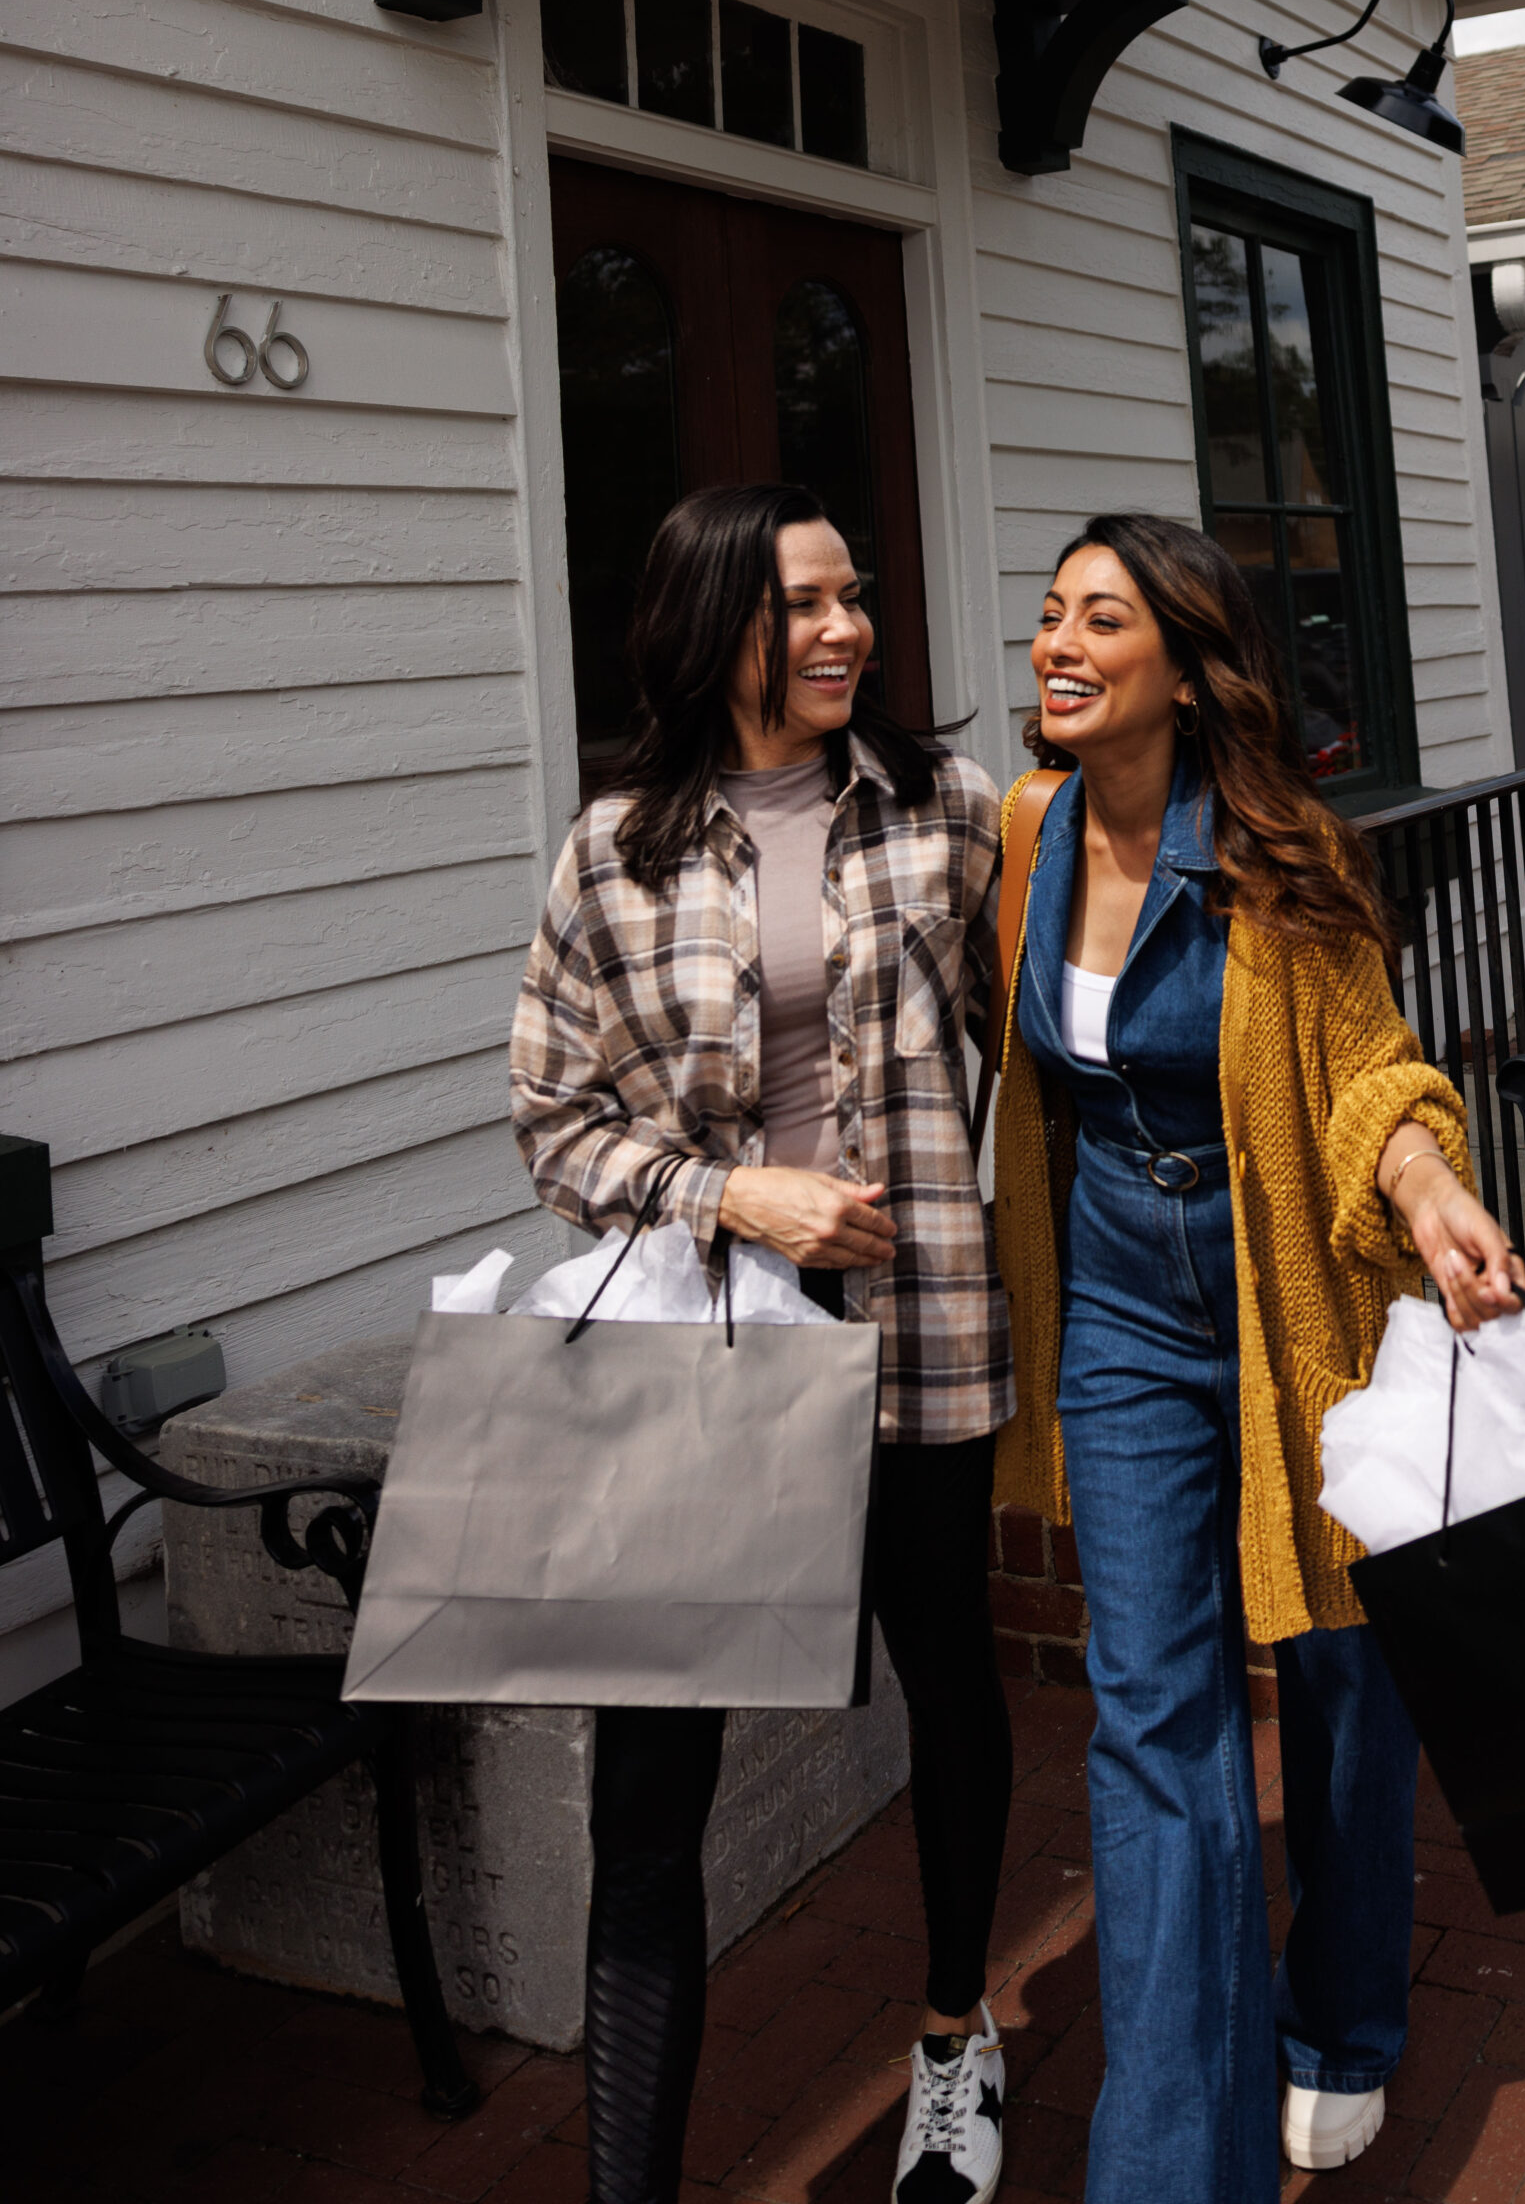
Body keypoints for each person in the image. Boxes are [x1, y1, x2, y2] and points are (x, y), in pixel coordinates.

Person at [990, 514, 1524, 2200]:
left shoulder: (1281, 853)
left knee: (1349, 1677)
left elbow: (1372, 1067)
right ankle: (1171, 2171)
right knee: (1156, 1727)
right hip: (1123, 1313)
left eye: (1099, 620)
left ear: (1184, 661)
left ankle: (1347, 2017)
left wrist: (1428, 1177)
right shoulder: (1025, 833)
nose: (1057, 648)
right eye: (1049, 619)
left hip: (1295, 1291)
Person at [510, 484, 1013, 2204]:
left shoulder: (949, 813)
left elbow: (1043, 1034)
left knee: (952, 1697)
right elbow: (552, 1128)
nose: (845, 629)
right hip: (704, 1374)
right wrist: (738, 1199)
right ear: (715, 617)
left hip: (923, 1334)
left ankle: (955, 2042)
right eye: (804, 602)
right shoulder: (611, 848)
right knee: (651, 1787)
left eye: (855, 597)